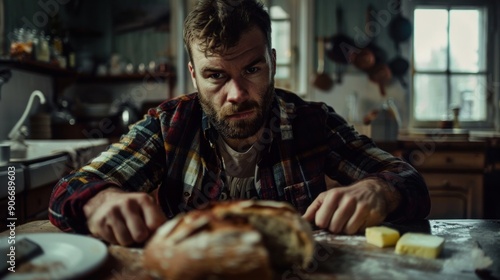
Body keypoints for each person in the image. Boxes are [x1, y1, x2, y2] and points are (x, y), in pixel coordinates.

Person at [49, 0, 430, 246]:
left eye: (252, 69)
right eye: (216, 75)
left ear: (273, 62)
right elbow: (71, 188)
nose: (237, 94)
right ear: (194, 76)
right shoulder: (168, 126)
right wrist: (99, 201)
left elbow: (407, 178)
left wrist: (379, 191)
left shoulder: (313, 123)